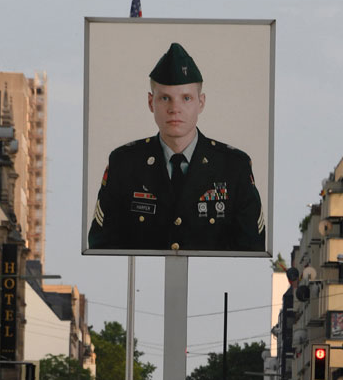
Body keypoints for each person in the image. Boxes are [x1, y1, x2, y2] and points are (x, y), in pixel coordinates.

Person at [87, 42, 266, 253]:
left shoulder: (234, 167)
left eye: (186, 98)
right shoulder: (124, 164)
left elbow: (252, 247)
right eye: (165, 98)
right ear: (150, 102)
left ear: (201, 103)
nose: (174, 109)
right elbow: (102, 246)